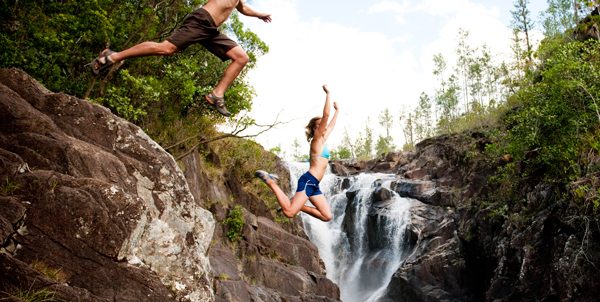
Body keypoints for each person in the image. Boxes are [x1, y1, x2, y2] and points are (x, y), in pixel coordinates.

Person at [88, 0, 271, 117]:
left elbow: (243, 7)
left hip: (211, 31)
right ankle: (112, 57)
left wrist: (259, 15)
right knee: (166, 48)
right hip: (201, 20)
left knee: (241, 58)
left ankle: (216, 95)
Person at [255, 85, 339, 222]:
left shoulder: (323, 140)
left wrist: (338, 111)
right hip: (308, 180)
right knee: (289, 212)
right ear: (313, 129)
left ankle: (295, 203)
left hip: (314, 185)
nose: (323, 127)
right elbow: (326, 116)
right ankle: (271, 181)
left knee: (327, 216)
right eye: (318, 125)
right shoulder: (316, 140)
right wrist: (329, 94)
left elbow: (332, 125)